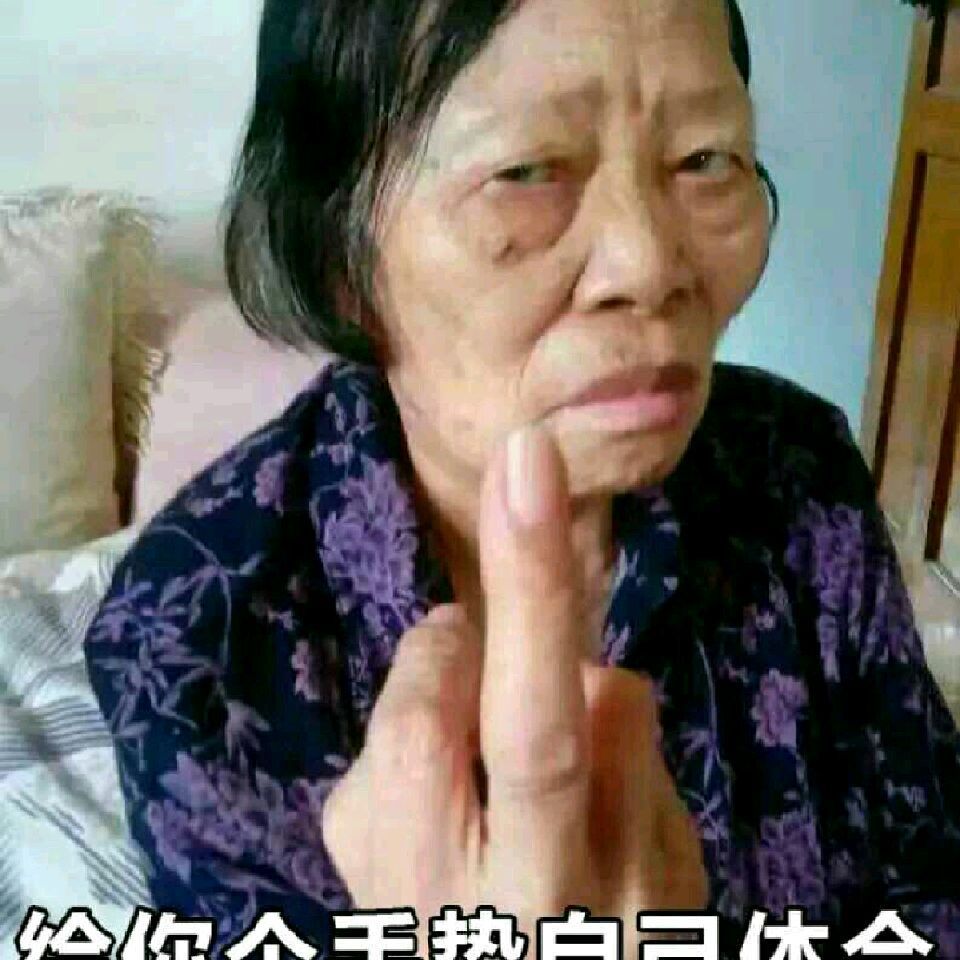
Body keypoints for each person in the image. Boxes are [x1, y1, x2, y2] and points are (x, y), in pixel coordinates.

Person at [84, 0, 960, 955]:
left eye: (705, 159)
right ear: (338, 254)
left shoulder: (800, 472)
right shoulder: (191, 635)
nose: (649, 265)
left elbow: (930, 881)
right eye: (525, 173)